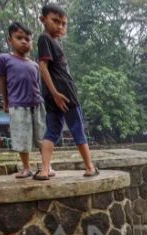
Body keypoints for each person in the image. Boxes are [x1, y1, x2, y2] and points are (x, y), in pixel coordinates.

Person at [36, 3, 98, 180]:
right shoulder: (45, 39)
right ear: (43, 19)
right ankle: (90, 167)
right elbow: (42, 66)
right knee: (78, 129)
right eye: (55, 21)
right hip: (64, 95)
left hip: (53, 96)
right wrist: (55, 92)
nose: (60, 26)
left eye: (63, 23)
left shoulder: (54, 42)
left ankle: (45, 169)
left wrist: (52, 93)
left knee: (52, 132)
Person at [0, 22, 46, 178]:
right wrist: (5, 102)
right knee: (21, 138)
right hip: (17, 105)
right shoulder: (4, 59)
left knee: (43, 137)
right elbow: (2, 82)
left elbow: (38, 85)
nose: (24, 41)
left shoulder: (34, 64)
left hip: (37, 104)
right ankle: (26, 167)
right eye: (19, 38)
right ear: (10, 40)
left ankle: (47, 166)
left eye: (27, 39)